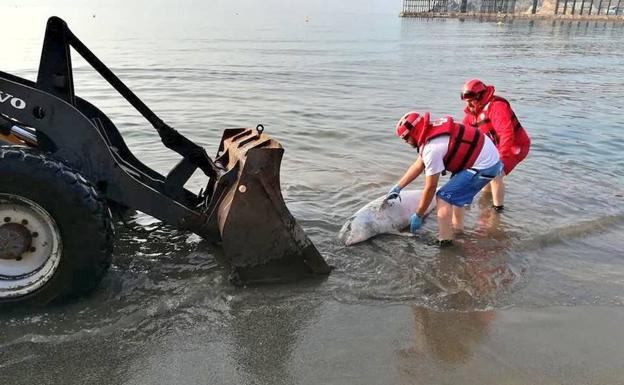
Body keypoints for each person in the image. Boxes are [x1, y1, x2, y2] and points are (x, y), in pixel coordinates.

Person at [386, 111, 501, 247]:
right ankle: (458, 231)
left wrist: (419, 215)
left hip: (485, 165)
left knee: (443, 197)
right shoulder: (430, 132)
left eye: (406, 138)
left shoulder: (432, 149)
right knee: (455, 195)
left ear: (415, 132)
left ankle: (445, 241)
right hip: (485, 157)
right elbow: (418, 165)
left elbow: (430, 188)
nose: (406, 142)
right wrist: (398, 187)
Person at [460, 79, 531, 212]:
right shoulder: (471, 115)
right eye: (466, 100)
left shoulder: (497, 107)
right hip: (496, 148)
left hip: (515, 146)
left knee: (494, 174)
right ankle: (484, 206)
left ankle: (497, 212)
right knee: (485, 178)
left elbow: (507, 134)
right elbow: (464, 136)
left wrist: (500, 160)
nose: (468, 103)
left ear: (480, 96)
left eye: (471, 100)